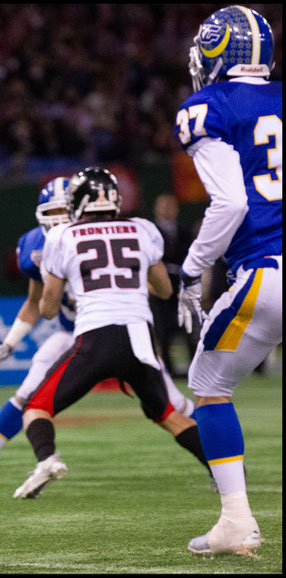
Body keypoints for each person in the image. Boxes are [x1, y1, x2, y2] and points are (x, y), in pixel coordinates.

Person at [0, 178, 196, 490]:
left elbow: (142, 281)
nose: (58, 218)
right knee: (27, 393)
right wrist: (9, 342)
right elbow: (34, 302)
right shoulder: (38, 244)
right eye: (51, 210)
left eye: (64, 209)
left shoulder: (92, 235)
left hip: (109, 327)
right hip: (73, 331)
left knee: (171, 402)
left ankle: (218, 457)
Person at [12, 167, 212, 501]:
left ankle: (47, 459)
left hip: (96, 336)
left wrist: (75, 287)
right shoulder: (143, 229)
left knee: (36, 408)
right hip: (140, 337)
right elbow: (163, 290)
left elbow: (47, 309)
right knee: (167, 415)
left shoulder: (63, 237)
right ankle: (222, 469)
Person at [174, 5, 281, 558]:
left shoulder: (207, 107)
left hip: (267, 271)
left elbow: (233, 200)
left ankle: (236, 520)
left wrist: (193, 269)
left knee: (209, 385)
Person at [149, 194, 197, 377]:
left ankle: (194, 368)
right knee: (163, 331)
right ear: (156, 209)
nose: (167, 209)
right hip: (159, 286)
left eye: (171, 206)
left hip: (182, 286)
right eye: (163, 206)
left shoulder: (185, 231)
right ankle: (169, 369)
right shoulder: (151, 232)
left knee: (188, 328)